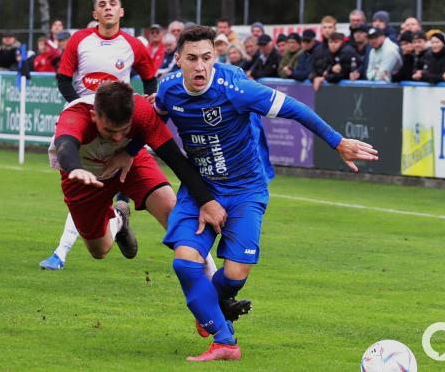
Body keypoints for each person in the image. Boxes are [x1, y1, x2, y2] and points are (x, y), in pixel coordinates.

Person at [152, 25, 378, 361]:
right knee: (185, 263)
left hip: (245, 189)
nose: (200, 67)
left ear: (215, 56)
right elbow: (151, 119)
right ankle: (225, 342)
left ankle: (210, 308)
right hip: (200, 188)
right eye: (192, 59)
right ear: (178, 59)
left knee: (234, 275)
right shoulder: (168, 90)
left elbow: (296, 109)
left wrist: (338, 142)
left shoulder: (236, 87)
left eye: (206, 58)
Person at [48, 82, 228, 294]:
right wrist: (74, 168)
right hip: (84, 178)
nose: (116, 137)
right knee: (99, 249)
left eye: (122, 131)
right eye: (109, 130)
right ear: (94, 115)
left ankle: (217, 293)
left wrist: (207, 202)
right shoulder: (76, 115)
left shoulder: (141, 111)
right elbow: (65, 144)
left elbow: (176, 160)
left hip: (130, 164)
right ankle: (119, 220)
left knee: (173, 212)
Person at [40, 0, 159, 271]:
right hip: (87, 126)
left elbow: (150, 79)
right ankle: (116, 219)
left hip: (118, 130)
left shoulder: (133, 45)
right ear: (95, 13)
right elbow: (64, 79)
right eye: (102, 4)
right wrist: (81, 110)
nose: (107, 7)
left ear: (121, 11)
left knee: (97, 182)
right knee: (81, 185)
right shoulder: (79, 40)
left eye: (112, 3)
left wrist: (142, 106)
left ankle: (62, 251)